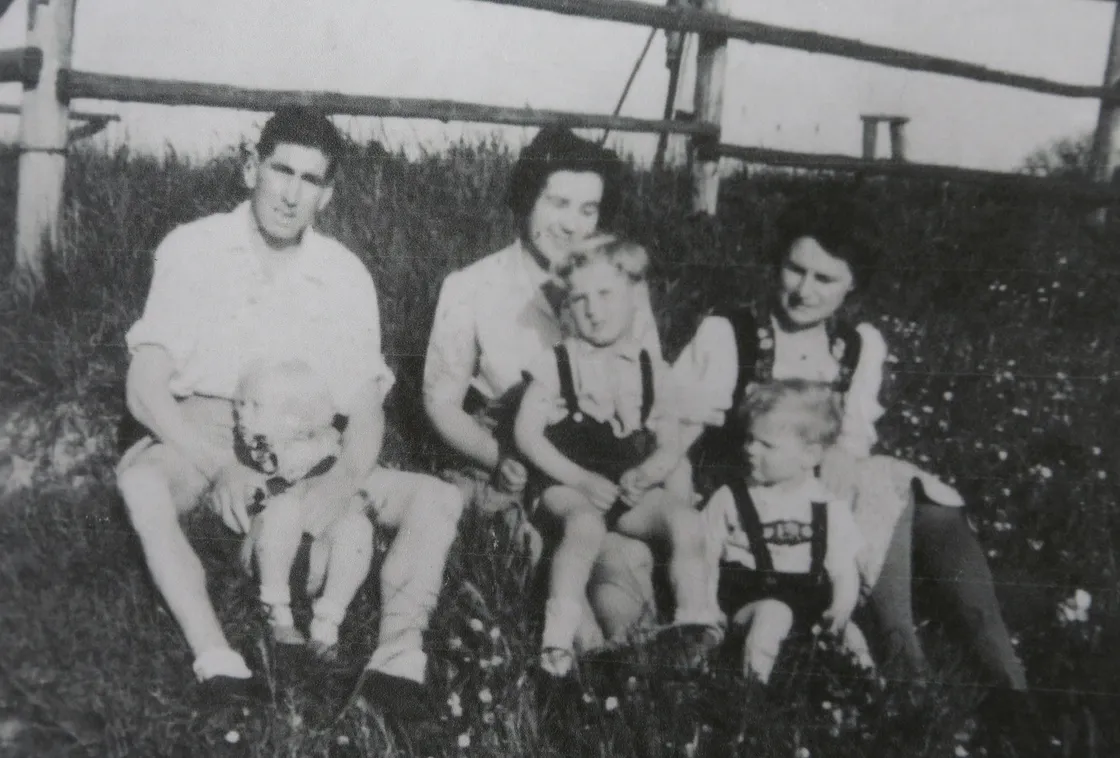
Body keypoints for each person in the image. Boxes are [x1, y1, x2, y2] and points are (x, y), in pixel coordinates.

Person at [115, 106, 463, 717]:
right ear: (252, 168)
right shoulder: (194, 247)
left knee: (436, 498)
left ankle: (398, 661)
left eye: (310, 180)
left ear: (327, 195)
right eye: (281, 171)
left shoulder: (344, 274)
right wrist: (215, 463)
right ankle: (217, 659)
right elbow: (143, 385)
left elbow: (365, 405)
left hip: (308, 445)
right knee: (142, 482)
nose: (291, 194)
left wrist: (345, 483)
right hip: (211, 431)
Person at [671, 190, 1028, 693]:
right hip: (752, 490)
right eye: (795, 270)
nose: (804, 291)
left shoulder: (858, 345)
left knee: (929, 504)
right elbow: (682, 425)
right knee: (884, 484)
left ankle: (1008, 679)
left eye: (825, 278)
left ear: (852, 284)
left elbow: (854, 435)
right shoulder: (730, 331)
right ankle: (906, 660)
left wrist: (842, 451)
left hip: (827, 484)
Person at [423, 126, 662, 647]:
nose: (573, 225)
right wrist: (502, 457)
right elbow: (441, 404)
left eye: (589, 209)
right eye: (558, 203)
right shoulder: (472, 286)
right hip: (506, 455)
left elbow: (648, 393)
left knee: (621, 560)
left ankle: (628, 683)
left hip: (600, 460)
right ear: (528, 197)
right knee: (539, 554)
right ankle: (574, 665)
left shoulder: (621, 289)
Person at [513, 236, 717, 676]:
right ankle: (558, 637)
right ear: (566, 307)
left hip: (623, 487)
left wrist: (647, 473)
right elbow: (527, 436)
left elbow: (670, 441)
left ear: (633, 298)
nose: (593, 309)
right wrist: (580, 481)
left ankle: (693, 619)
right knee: (584, 526)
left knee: (684, 518)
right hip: (565, 485)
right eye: (579, 299)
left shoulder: (649, 367)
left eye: (605, 294)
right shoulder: (558, 362)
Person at [703, 379, 869, 684]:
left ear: (810, 455)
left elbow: (845, 569)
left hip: (809, 603)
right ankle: (753, 690)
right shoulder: (731, 497)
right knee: (773, 613)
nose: (751, 450)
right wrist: (708, 609)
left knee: (854, 637)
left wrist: (841, 606)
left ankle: (867, 693)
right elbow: (706, 555)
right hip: (748, 602)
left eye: (767, 445)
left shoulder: (827, 505)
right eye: (750, 439)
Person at [232, 357, 371, 659]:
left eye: (255, 406)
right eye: (240, 404)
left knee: (357, 528)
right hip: (270, 556)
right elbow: (254, 495)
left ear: (292, 419)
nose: (241, 414)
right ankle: (277, 613)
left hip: (316, 558)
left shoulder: (327, 447)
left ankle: (327, 622)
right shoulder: (257, 452)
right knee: (286, 508)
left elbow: (343, 484)